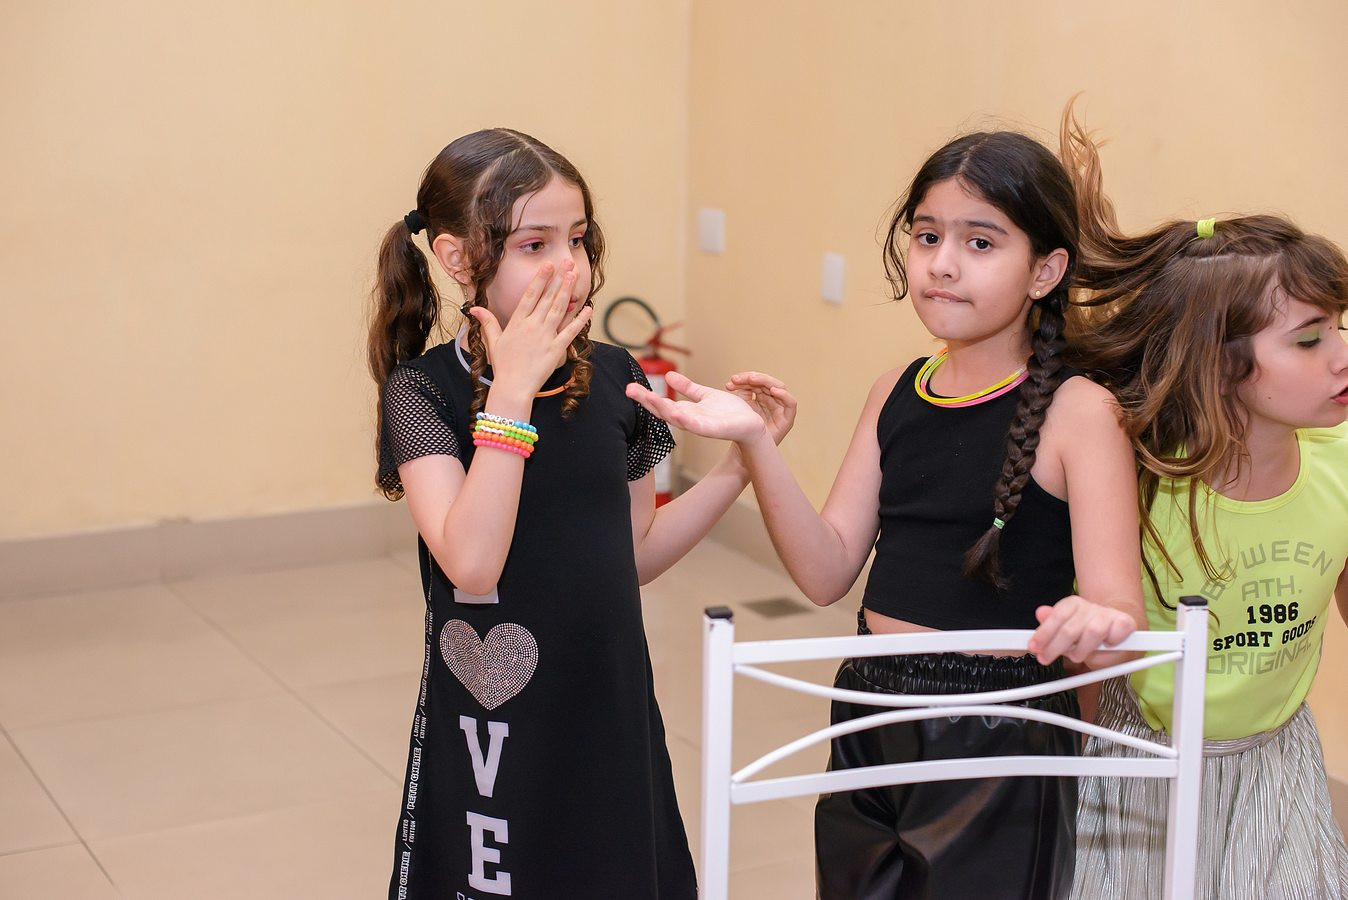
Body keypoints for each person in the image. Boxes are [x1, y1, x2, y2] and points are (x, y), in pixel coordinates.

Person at [628, 128, 1144, 899]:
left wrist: (1096, 621)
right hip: (869, 703)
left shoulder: (1082, 412)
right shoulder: (895, 390)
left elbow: (1119, 610)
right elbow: (825, 571)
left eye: (980, 242)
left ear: (1046, 270)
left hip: (1000, 730)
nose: (943, 263)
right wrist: (755, 445)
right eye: (928, 236)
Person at [368, 128, 793, 900]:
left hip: (608, 712)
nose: (568, 266)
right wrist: (510, 392)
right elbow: (472, 564)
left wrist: (740, 463)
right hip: (494, 731)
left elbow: (636, 553)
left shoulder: (617, 377)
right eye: (534, 245)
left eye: (579, 239)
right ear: (457, 258)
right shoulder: (421, 392)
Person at [1060, 111, 1348, 900]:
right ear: (1219, 365)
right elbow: (1093, 662)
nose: (1341, 356)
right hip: (1140, 768)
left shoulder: (1340, 460)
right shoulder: (1138, 479)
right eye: (1310, 339)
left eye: (1340, 328)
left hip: (1278, 767)